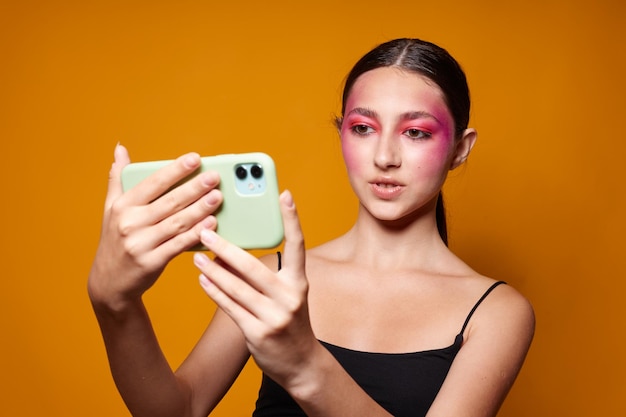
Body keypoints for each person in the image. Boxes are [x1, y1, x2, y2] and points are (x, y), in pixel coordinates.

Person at [88, 38, 535, 417]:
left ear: (461, 148)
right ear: (341, 133)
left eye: (416, 132)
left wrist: (306, 366)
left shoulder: (496, 313)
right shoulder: (271, 278)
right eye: (363, 127)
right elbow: (178, 411)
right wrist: (116, 307)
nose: (384, 156)